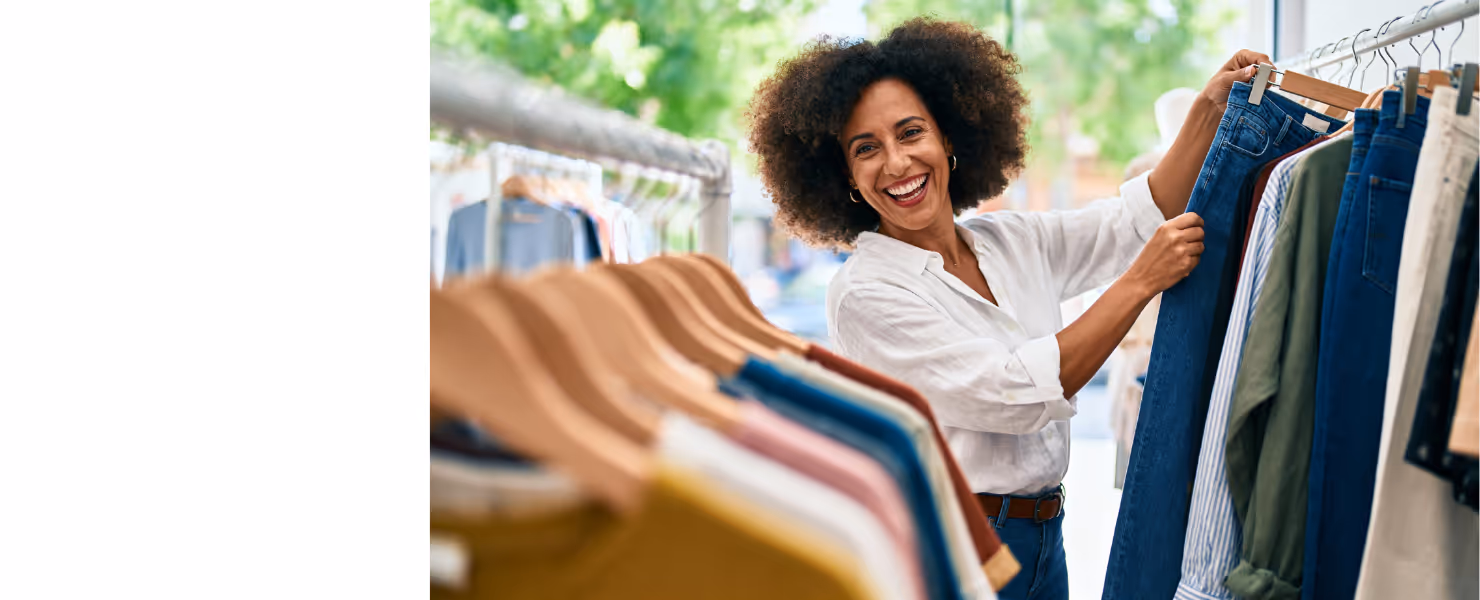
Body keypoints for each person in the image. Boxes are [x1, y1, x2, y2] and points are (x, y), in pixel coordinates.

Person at [745, 17, 1269, 600]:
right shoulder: (865, 294)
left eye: (910, 133)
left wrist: (1206, 110)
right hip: (959, 540)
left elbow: (1135, 218)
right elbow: (1018, 390)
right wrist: (1140, 282)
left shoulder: (1008, 241)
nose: (896, 163)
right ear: (844, 176)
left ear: (949, 137)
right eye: (866, 149)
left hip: (1046, 533)